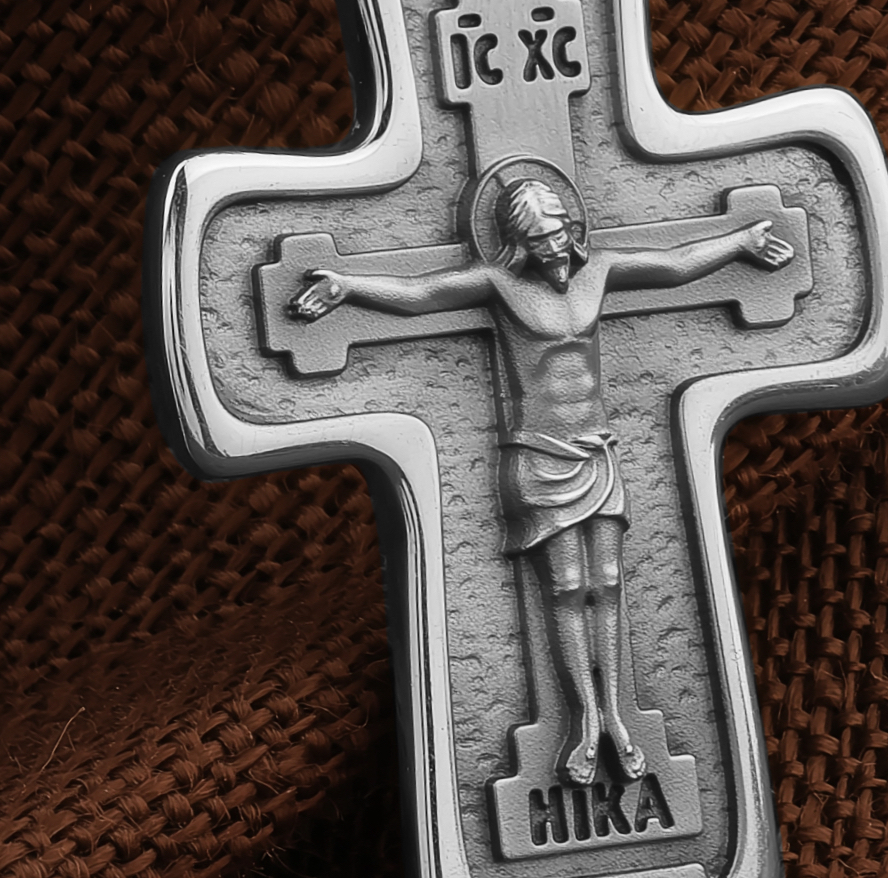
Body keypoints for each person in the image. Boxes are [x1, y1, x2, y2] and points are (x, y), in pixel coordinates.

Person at [290, 175, 794, 786]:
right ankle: (585, 720)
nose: (553, 248)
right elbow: (422, 293)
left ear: (572, 229)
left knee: (608, 583)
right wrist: (348, 285)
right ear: (518, 243)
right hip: (539, 457)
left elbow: (674, 263)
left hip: (597, 450)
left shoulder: (599, 269)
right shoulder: (500, 284)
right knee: (567, 587)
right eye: (539, 240)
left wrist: (739, 241)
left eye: (558, 234)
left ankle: (616, 718)